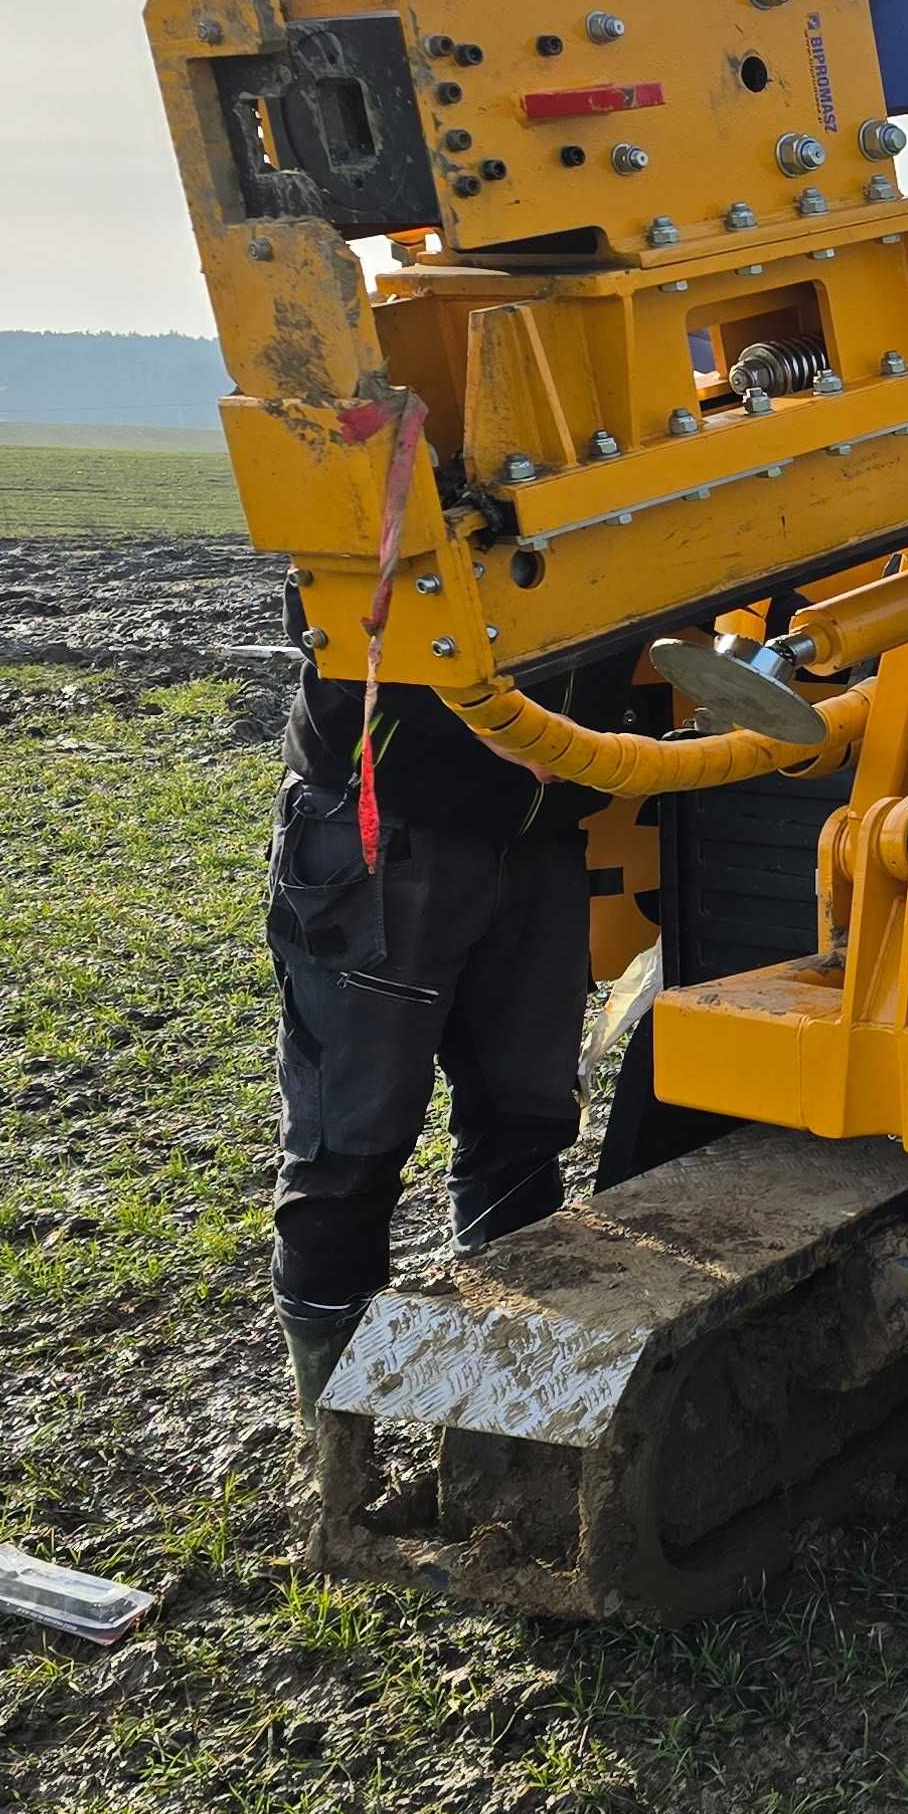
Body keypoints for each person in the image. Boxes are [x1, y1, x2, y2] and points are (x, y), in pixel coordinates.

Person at [266, 589, 623, 1415]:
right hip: (387, 834)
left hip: (540, 840)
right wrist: (493, 725)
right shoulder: (401, 459)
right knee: (348, 1153)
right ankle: (337, 1462)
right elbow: (329, 594)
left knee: (523, 1130)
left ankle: (498, 1412)